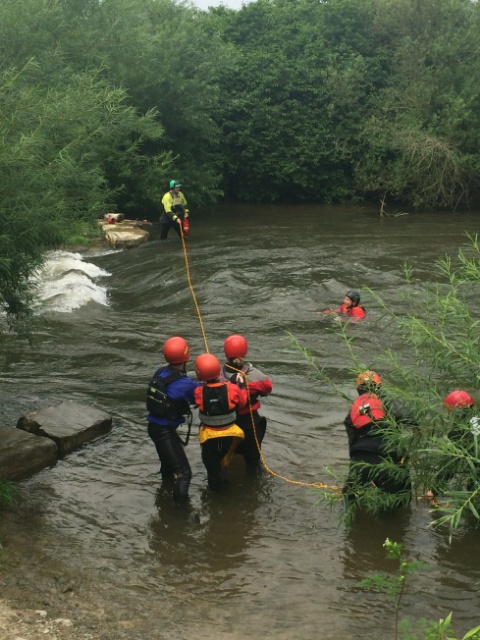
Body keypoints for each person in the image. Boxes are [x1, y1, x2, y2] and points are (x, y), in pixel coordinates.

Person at [343, 370, 411, 503]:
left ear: (358, 390)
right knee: (401, 502)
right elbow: (411, 421)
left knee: (350, 501)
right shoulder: (391, 403)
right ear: (379, 387)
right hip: (390, 462)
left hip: (360, 462)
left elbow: (352, 441)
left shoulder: (354, 409)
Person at [146, 336, 200, 502]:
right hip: (164, 432)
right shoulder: (186, 384)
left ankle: (164, 497)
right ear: (186, 356)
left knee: (168, 466)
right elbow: (201, 393)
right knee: (184, 474)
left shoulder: (161, 372)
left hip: (154, 427)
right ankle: (180, 515)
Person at [194, 353, 248, 489]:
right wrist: (241, 387)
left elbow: (198, 400)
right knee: (223, 460)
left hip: (209, 437)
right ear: (218, 370)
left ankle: (216, 494)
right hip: (229, 435)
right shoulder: (232, 388)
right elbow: (242, 403)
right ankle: (224, 485)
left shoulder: (198, 391)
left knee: (211, 466)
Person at [221, 334, 273, 466]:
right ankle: (255, 485)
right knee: (254, 463)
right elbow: (267, 389)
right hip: (249, 426)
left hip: (224, 425)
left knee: (222, 463)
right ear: (245, 352)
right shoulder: (255, 374)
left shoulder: (216, 374)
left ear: (226, 353)